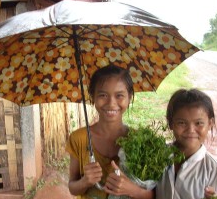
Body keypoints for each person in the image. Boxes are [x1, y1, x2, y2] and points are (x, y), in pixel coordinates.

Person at [65, 64, 155, 199]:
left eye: (119, 95)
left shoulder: (140, 141)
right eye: (102, 95)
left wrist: (132, 190)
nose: (111, 103)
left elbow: (153, 194)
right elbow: (72, 187)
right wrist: (85, 182)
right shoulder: (79, 138)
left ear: (129, 97)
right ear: (92, 96)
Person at [156, 88, 217, 199]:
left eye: (198, 123)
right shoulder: (157, 155)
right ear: (170, 123)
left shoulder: (214, 170)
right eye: (181, 123)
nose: (191, 130)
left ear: (210, 123)